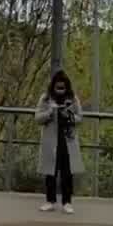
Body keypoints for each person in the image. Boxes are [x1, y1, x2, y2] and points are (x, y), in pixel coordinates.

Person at [35, 71, 84, 213]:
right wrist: (50, 112)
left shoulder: (73, 99)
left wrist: (68, 115)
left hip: (68, 141)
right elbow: (37, 118)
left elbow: (80, 117)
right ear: (53, 86)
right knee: (50, 172)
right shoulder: (45, 98)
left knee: (67, 172)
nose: (60, 90)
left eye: (63, 88)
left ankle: (67, 202)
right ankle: (50, 200)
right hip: (51, 141)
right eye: (58, 87)